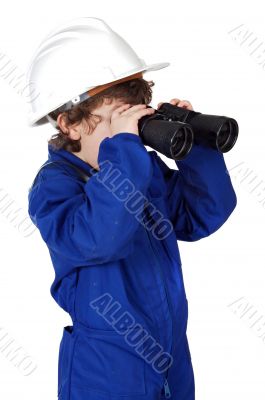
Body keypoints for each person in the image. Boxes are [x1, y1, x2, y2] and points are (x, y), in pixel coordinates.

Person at [26, 17, 237, 400]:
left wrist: (198, 146)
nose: (130, 134)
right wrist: (125, 151)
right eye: (116, 121)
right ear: (69, 124)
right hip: (106, 372)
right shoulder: (54, 185)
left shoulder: (140, 167)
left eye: (135, 118)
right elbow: (97, 239)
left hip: (171, 355)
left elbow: (202, 215)